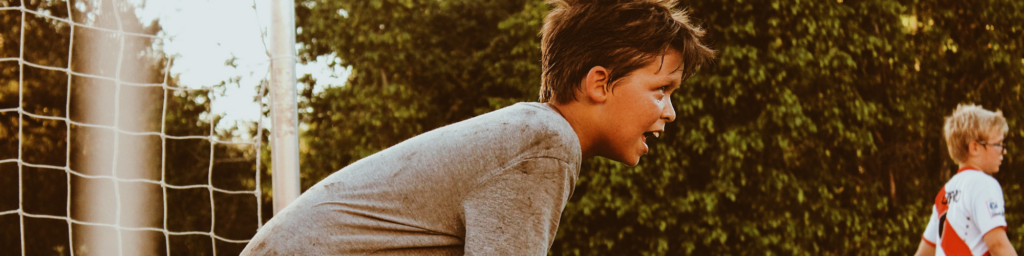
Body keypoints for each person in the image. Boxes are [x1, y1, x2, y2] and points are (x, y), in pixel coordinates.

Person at [241, 0, 714, 254]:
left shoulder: (528, 135)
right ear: (599, 83)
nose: (670, 111)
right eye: (661, 90)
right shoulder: (546, 142)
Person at [914, 104, 1017, 256]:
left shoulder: (945, 192)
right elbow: (998, 245)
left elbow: (924, 253)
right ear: (974, 148)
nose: (1004, 150)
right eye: (998, 144)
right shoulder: (983, 184)